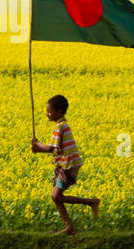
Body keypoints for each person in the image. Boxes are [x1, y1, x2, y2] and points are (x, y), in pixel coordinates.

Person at [30, 95, 100, 235]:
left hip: (69, 166)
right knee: (56, 197)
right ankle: (69, 227)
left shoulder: (60, 127)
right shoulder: (62, 125)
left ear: (59, 112)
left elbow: (51, 148)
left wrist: (37, 144)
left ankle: (91, 202)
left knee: (56, 196)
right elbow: (56, 149)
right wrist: (38, 149)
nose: (47, 114)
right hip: (66, 165)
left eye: (49, 111)